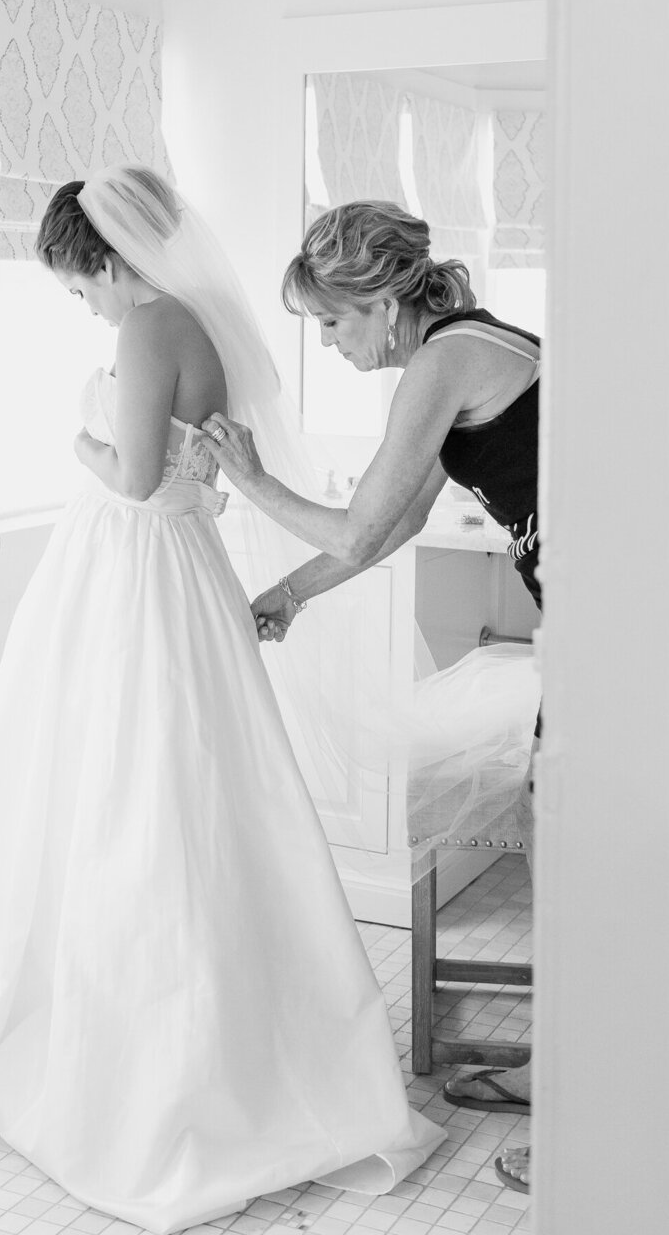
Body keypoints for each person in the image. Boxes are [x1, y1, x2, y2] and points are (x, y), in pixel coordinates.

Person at [0, 167, 445, 1235]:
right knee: (198, 797)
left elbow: (129, 476)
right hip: (185, 568)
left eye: (81, 286)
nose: (86, 305)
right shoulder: (203, 323)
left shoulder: (148, 324)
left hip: (133, 569)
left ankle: (140, 1075)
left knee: (125, 796)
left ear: (106, 260)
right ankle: (245, 1050)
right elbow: (197, 470)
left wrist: (73, 446)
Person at [202, 199, 543, 1196]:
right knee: (558, 846)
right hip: (594, 609)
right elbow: (393, 531)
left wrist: (250, 478)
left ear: (386, 302)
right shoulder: (469, 348)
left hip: (610, 622)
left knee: (583, 871)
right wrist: (286, 598)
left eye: (335, 324)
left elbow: (357, 528)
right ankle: (550, 1071)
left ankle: (586, 1116)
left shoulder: (443, 362)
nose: (333, 345)